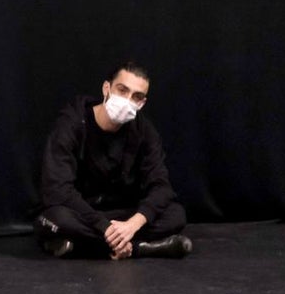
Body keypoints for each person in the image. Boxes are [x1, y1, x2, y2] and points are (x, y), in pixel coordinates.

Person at [36, 62, 193, 260]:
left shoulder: (144, 130)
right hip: (81, 213)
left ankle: (81, 247)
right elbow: (57, 189)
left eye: (136, 96)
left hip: (121, 216)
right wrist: (104, 226)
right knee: (54, 219)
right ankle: (139, 248)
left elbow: (162, 186)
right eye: (122, 90)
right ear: (106, 88)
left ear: (142, 103)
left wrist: (133, 224)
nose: (128, 100)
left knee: (175, 215)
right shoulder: (72, 123)